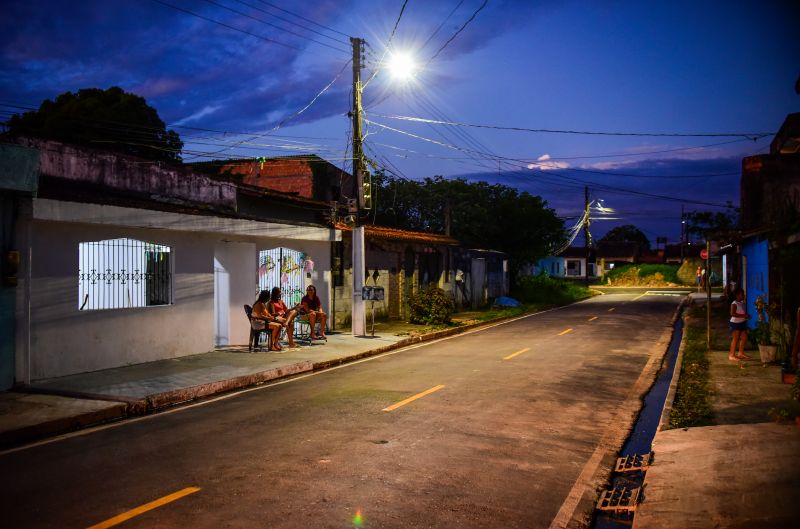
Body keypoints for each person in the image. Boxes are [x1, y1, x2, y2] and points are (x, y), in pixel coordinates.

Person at [729, 288, 751, 361]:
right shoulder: (734, 303)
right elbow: (732, 314)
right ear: (737, 295)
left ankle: (740, 353)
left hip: (742, 322)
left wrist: (746, 316)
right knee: (735, 338)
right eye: (742, 294)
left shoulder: (742, 303)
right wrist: (744, 316)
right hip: (735, 323)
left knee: (744, 337)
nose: (743, 296)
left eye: (743, 294)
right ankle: (731, 355)